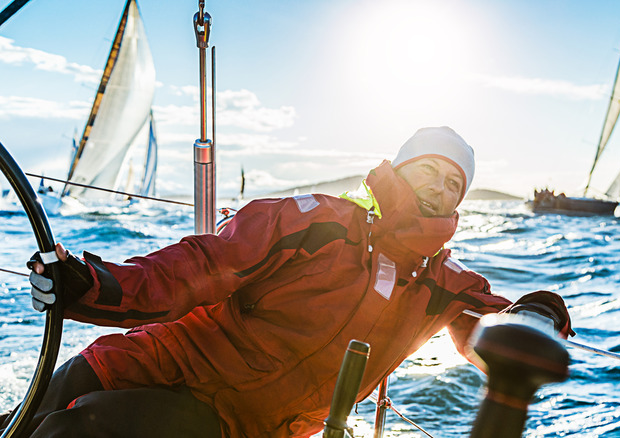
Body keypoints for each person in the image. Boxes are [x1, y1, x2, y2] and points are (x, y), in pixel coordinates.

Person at [4, 126, 575, 438]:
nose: (440, 186)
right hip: (139, 363)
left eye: (455, 182)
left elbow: (492, 323)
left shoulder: (444, 285)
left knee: (74, 435)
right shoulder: (311, 222)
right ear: (397, 170)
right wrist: (95, 285)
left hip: (226, 425)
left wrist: (537, 317)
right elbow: (200, 266)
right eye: (428, 167)